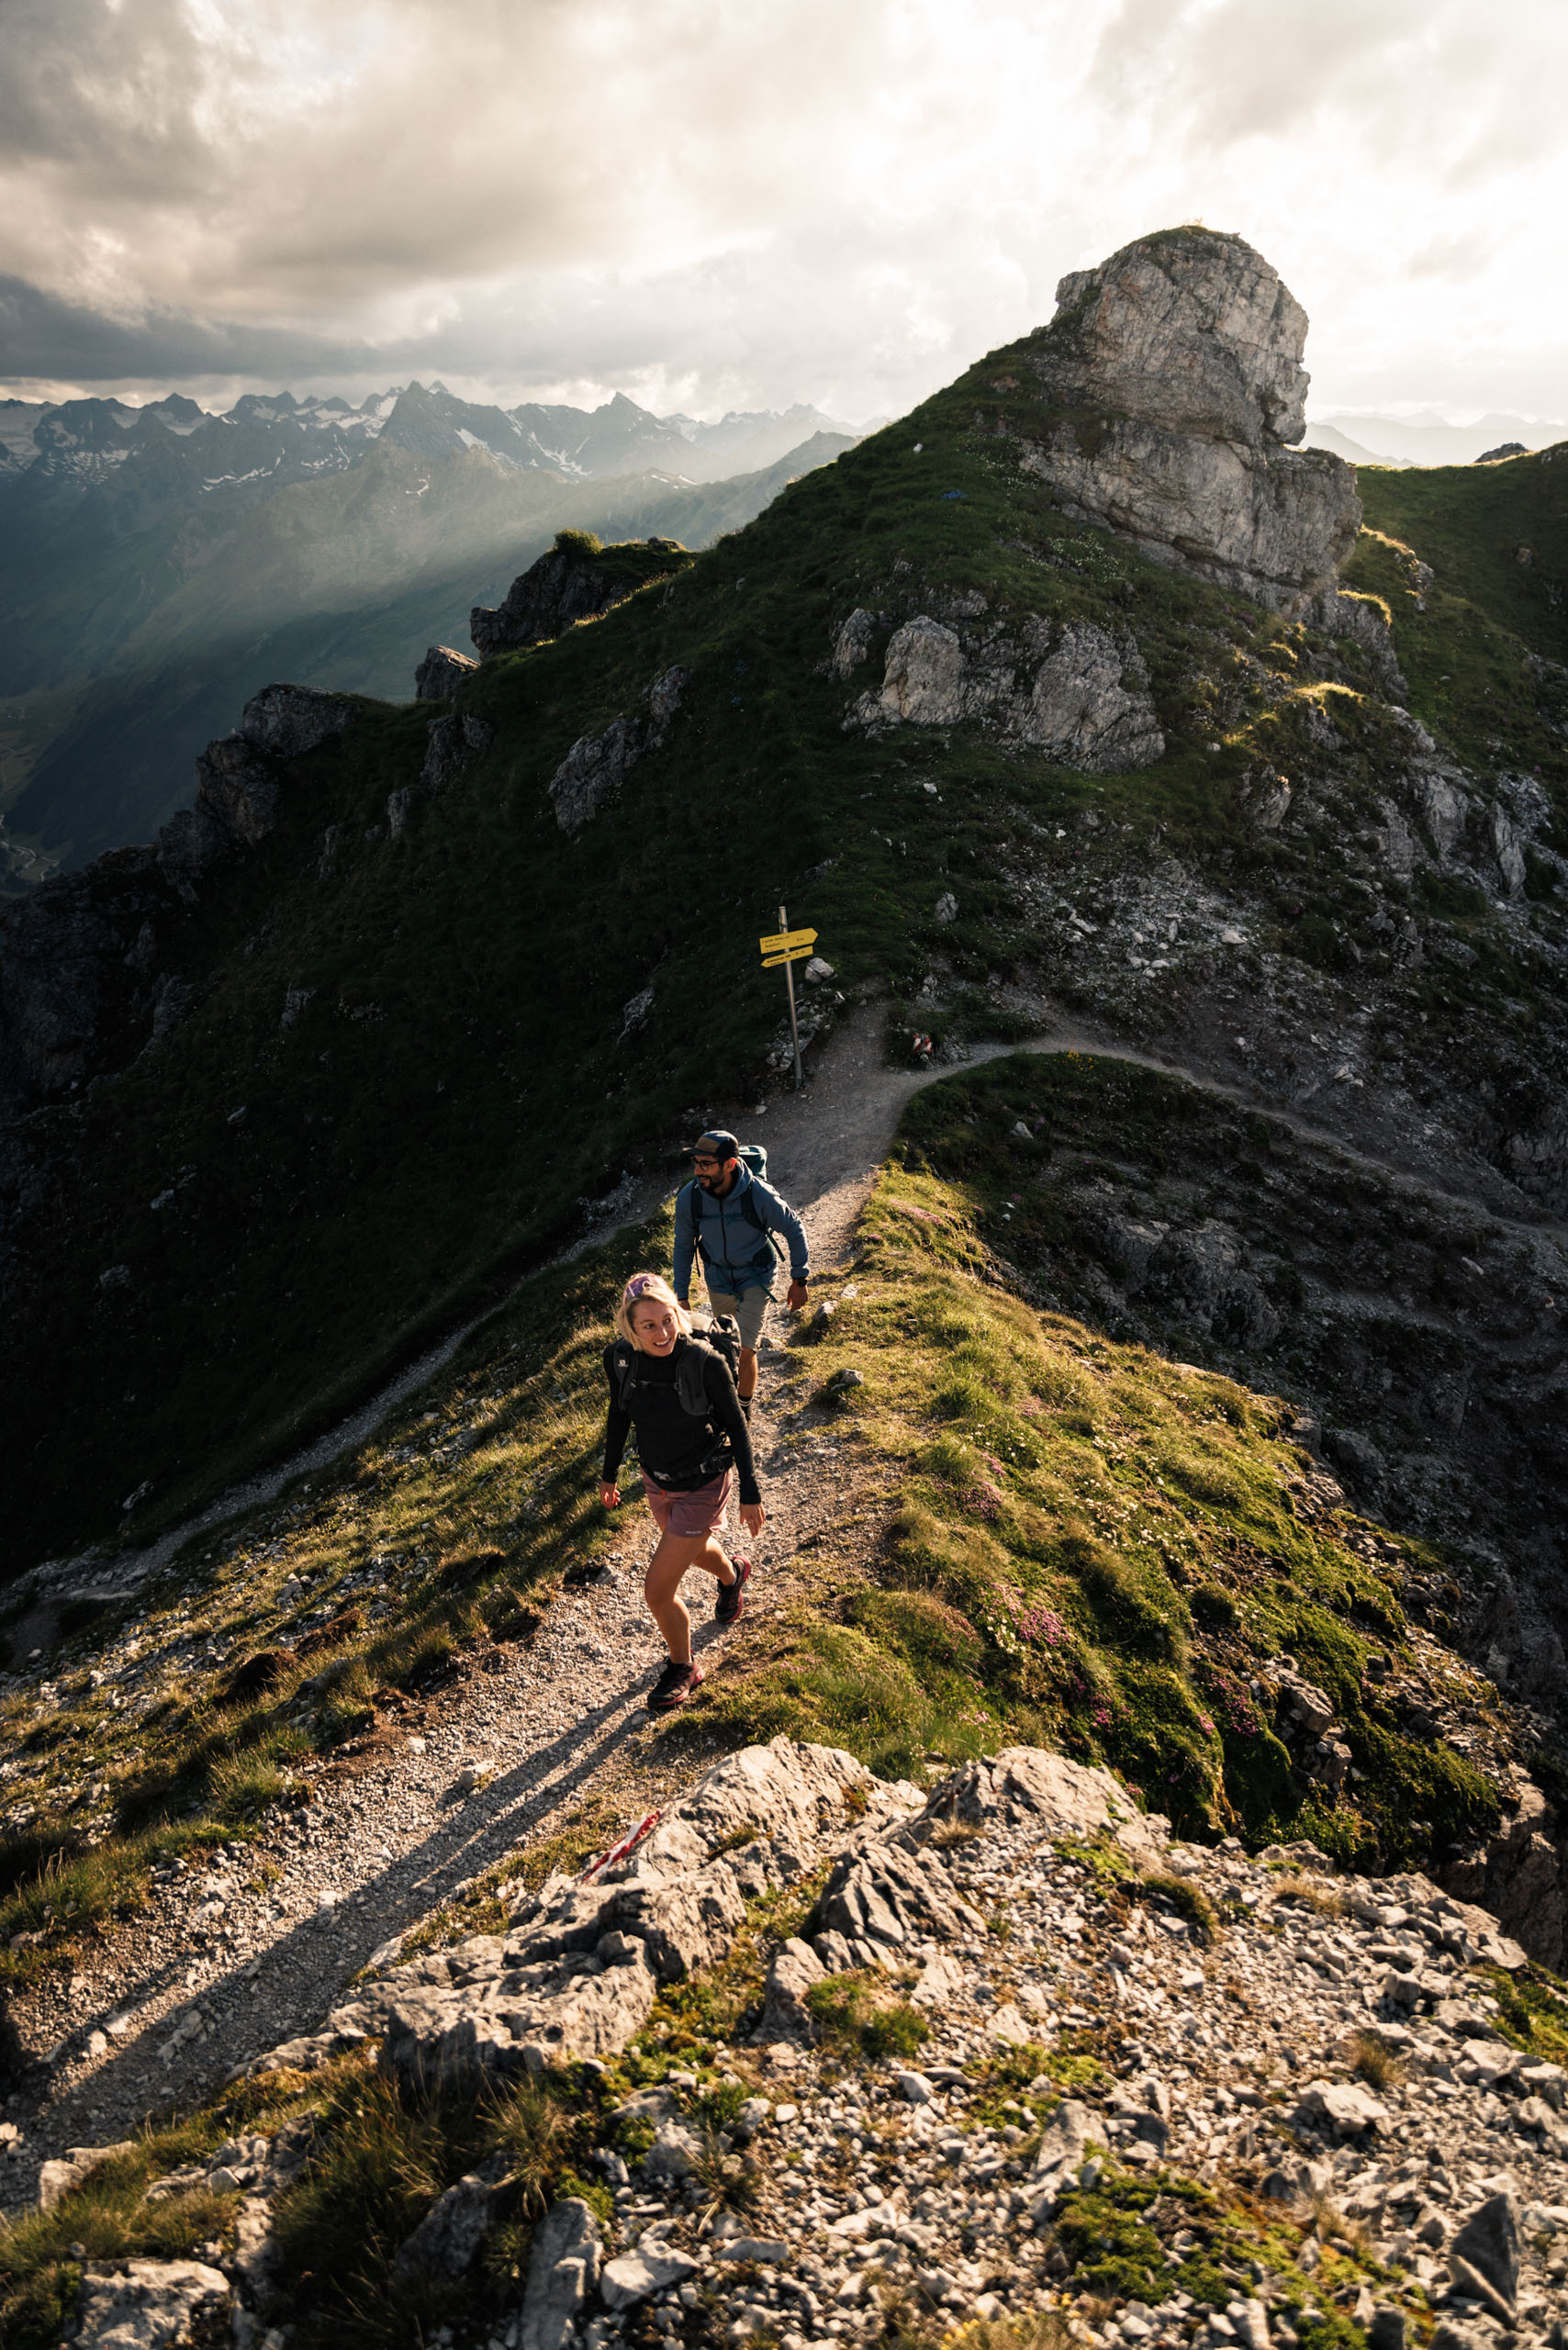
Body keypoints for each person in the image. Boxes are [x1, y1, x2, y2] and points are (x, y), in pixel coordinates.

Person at [599, 1271, 765, 1714]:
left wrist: (750, 1490)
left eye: (668, 1319)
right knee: (691, 1550)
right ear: (629, 1328)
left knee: (657, 1590)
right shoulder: (621, 1360)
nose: (662, 1332)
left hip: (704, 1481)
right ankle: (733, 1575)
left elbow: (737, 1425)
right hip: (657, 1480)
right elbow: (619, 1417)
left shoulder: (704, 1361)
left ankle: (683, 1667)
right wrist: (609, 1474)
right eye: (648, 1325)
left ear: (679, 1312)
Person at [673, 1130, 809, 1410]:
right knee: (725, 1348)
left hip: (756, 1277)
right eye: (696, 1163)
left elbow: (794, 1228)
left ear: (730, 1165)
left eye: (706, 1165)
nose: (698, 1171)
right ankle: (727, 1402)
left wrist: (799, 1279)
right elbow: (683, 1246)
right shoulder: (691, 1198)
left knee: (746, 1350)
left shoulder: (758, 1194)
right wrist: (681, 1294)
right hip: (719, 1278)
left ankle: (742, 1412)